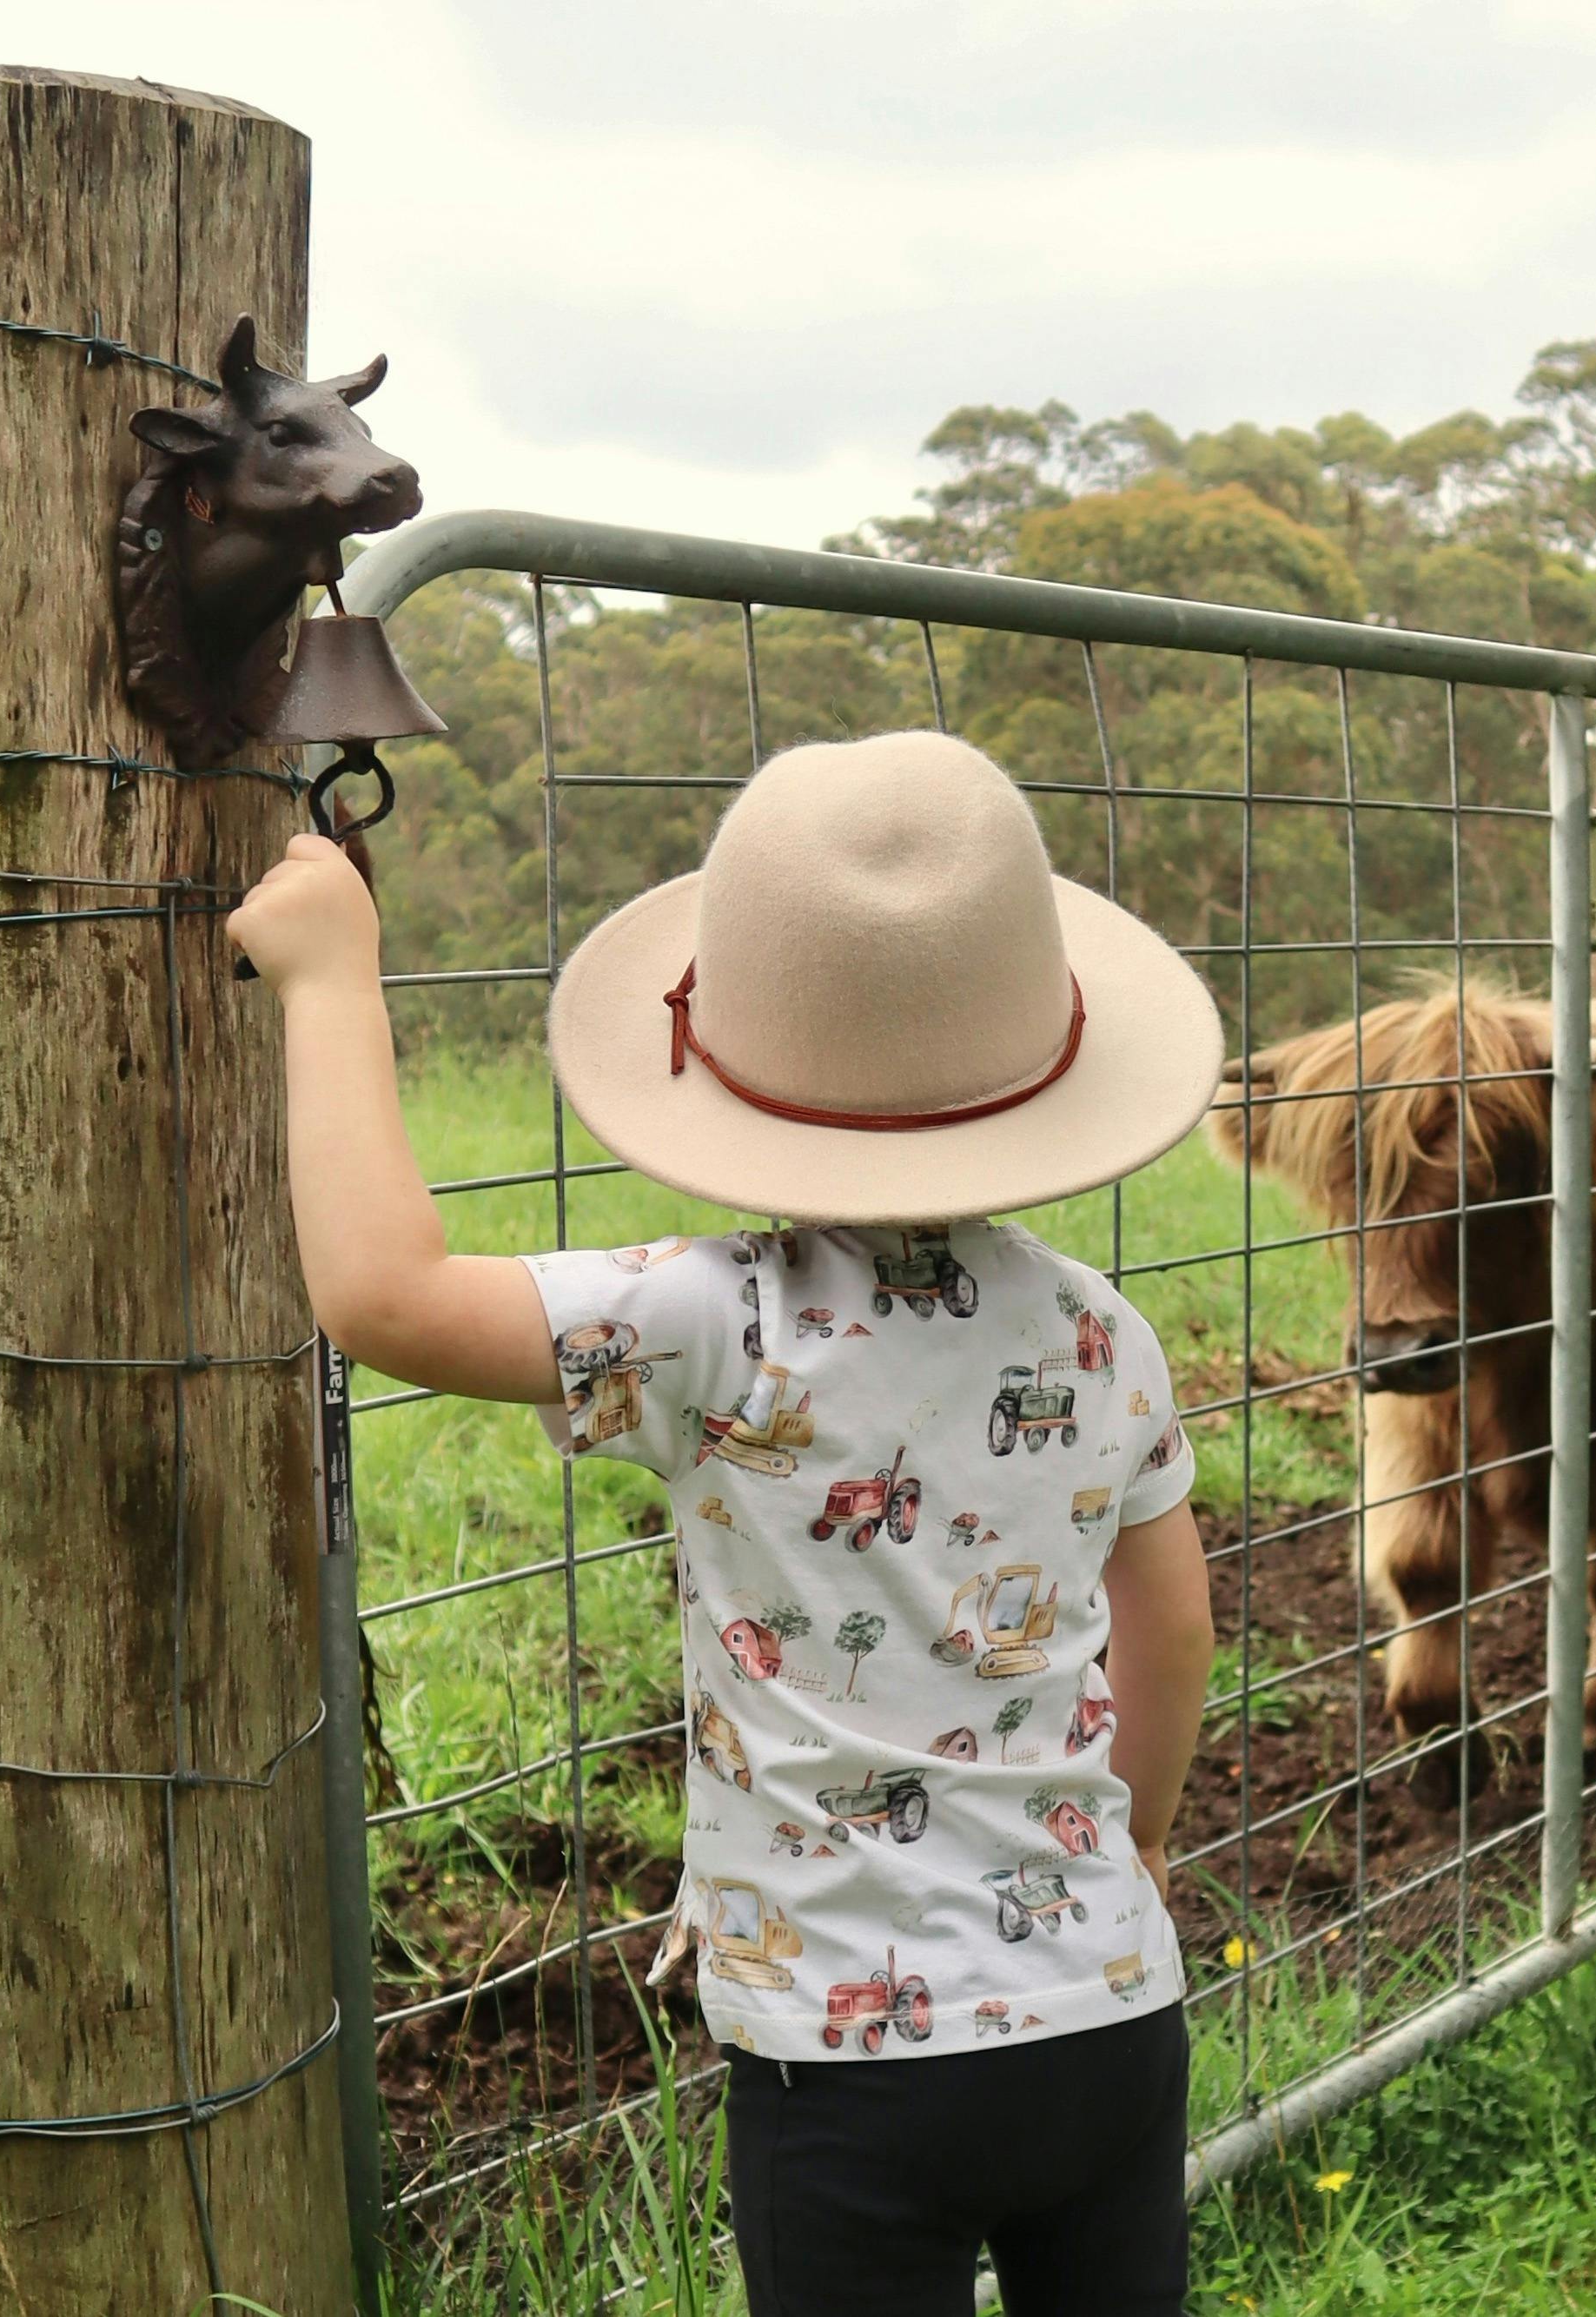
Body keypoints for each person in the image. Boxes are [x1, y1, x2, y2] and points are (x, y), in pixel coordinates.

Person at [232, 728, 1222, 2315]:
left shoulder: (715, 1323)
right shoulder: (1106, 1332)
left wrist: (331, 979)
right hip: (1108, 2011)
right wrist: (1145, 1839)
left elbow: (383, 1295)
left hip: (845, 2063)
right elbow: (1171, 1625)